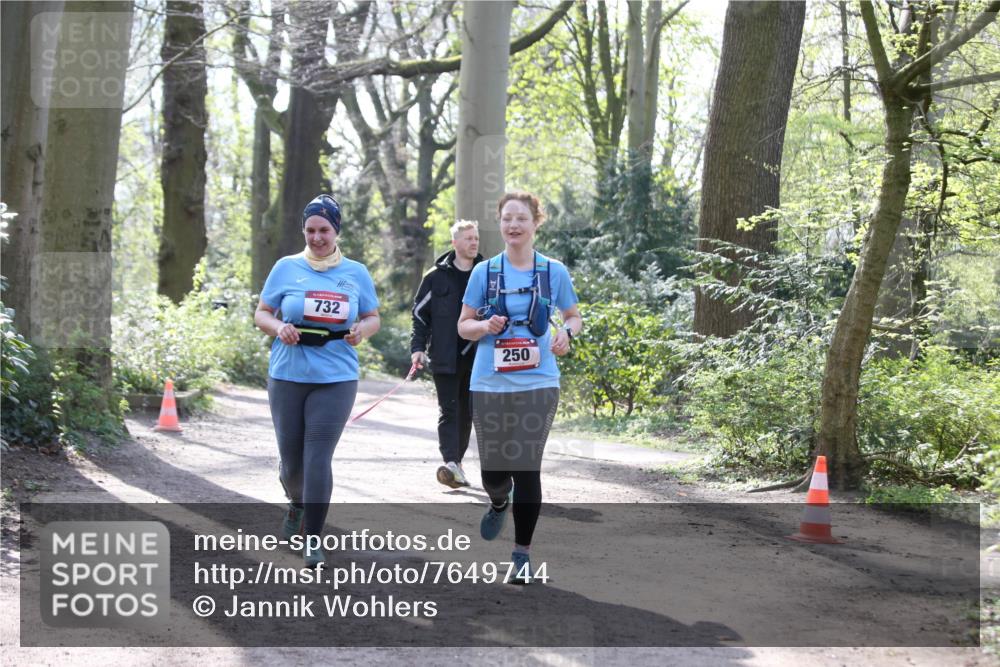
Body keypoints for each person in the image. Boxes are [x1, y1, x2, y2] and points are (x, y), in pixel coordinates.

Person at [457, 191, 582, 584]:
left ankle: (522, 554)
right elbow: (464, 325)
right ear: (500, 223)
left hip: (539, 382)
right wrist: (483, 326)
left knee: (527, 468)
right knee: (494, 472)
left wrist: (566, 333)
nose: (513, 225)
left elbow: (574, 316)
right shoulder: (484, 272)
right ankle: (497, 500)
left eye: (521, 218)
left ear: (535, 223)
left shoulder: (553, 271)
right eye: (507, 218)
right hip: (490, 384)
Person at [254, 194, 380, 568]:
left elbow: (373, 316)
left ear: (336, 230)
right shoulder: (285, 267)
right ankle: (295, 502)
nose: (317, 237)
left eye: (324, 229)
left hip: (336, 376)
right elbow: (262, 313)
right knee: (292, 466)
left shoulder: (355, 272)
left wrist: (362, 331)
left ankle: (313, 539)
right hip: (288, 374)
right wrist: (279, 327)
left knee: (318, 457)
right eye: (310, 230)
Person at [410, 220, 484, 489]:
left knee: (467, 413)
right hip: (444, 355)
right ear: (454, 243)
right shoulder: (434, 276)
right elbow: (419, 315)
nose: (474, 243)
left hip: (478, 357)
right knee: (449, 410)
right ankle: (451, 462)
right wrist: (417, 348)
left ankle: (457, 464)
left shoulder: (486, 273)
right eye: (468, 238)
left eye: (476, 238)